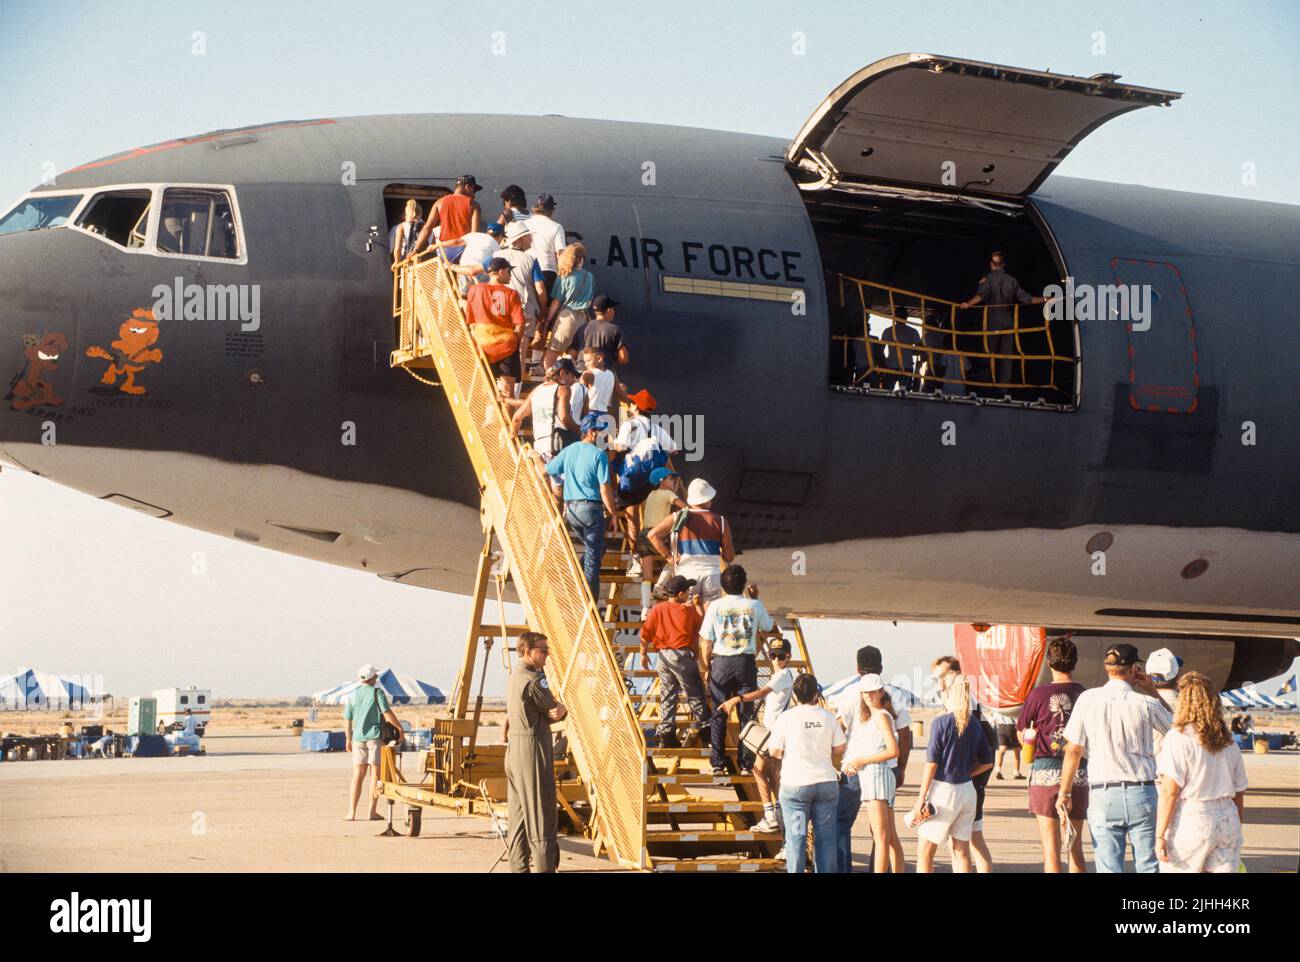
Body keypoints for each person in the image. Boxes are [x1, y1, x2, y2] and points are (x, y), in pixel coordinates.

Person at [1056, 643, 1173, 873]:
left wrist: (1065, 792)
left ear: (1108, 668)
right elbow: (1179, 730)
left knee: (1108, 866)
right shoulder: (1147, 703)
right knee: (1149, 865)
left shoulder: (1088, 699)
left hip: (1104, 793)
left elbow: (1073, 750)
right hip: (1143, 791)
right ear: (1133, 669)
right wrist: (1153, 691)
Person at [1156, 672, 1248, 873]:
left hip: (1194, 816)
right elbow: (1239, 791)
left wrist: (1160, 835)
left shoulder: (1179, 738)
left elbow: (1170, 791)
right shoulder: (1229, 742)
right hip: (1227, 817)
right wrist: (1235, 825)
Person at [1017, 635, 1089, 873]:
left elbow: (1022, 734)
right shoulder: (1084, 695)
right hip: (1078, 771)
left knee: (1051, 851)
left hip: (1045, 773)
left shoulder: (1037, 695)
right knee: (1075, 847)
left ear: (1049, 662)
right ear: (1075, 663)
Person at [909, 674, 993, 873]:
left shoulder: (941, 722)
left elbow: (931, 763)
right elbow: (987, 762)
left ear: (947, 695)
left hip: (944, 791)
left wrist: (920, 798)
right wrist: (968, 772)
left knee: (925, 853)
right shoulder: (974, 723)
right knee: (961, 851)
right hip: (967, 791)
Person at [716, 637, 797, 835]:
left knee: (759, 771)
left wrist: (738, 698)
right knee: (772, 774)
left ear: (788, 657)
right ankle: (778, 814)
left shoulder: (782, 675)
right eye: (773, 655)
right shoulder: (783, 674)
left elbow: (761, 693)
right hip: (777, 732)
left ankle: (771, 815)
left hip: (774, 732)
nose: (776, 659)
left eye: (781, 656)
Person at [766, 672, 845, 873]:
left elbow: (774, 751)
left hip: (796, 787)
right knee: (826, 840)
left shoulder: (786, 718)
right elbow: (839, 747)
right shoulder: (828, 717)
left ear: (794, 696)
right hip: (826, 784)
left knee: (797, 840)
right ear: (815, 695)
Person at [699, 565, 773, 776]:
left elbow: (706, 641)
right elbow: (767, 626)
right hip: (745, 663)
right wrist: (755, 598)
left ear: (723, 585)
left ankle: (717, 763)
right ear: (743, 585)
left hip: (721, 662)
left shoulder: (715, 606)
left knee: (718, 713)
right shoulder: (754, 605)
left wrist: (707, 667)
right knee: (746, 714)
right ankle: (746, 764)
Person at [503, 631, 567, 873]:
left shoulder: (515, 676)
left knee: (518, 819)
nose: (547, 655)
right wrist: (561, 708)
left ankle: (518, 868)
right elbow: (554, 709)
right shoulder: (532, 680)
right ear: (527, 651)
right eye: (543, 650)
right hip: (532, 749)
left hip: (515, 750)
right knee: (542, 821)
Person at [931, 655, 996, 872]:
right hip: (968, 785)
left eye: (941, 677)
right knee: (961, 844)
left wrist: (971, 774)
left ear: (954, 675)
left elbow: (989, 749)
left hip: (968, 785)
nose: (939, 684)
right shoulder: (968, 706)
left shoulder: (968, 708)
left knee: (972, 843)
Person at [544, 413, 617, 603]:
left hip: (572, 511)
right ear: (591, 432)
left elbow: (547, 470)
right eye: (601, 432)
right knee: (593, 560)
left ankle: (576, 573)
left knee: (597, 549)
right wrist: (613, 514)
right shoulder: (599, 455)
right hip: (591, 509)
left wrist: (533, 457)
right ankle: (589, 604)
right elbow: (605, 487)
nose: (604, 436)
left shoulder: (569, 450)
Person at [958, 251, 1046, 392]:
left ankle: (987, 387)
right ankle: (1003, 389)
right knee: (1007, 357)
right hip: (1008, 322)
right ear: (1003, 265)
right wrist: (1046, 299)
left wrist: (968, 304)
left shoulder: (987, 279)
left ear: (992, 264)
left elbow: (981, 296)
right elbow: (1027, 299)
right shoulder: (1012, 280)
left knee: (989, 354)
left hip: (993, 320)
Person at [841, 674, 904, 873]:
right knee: (890, 837)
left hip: (877, 776)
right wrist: (857, 763)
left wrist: (861, 761)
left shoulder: (881, 716)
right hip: (873, 775)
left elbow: (893, 751)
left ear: (880, 691)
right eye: (865, 692)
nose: (869, 695)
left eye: (872, 691)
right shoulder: (872, 715)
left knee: (881, 837)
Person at [639, 574, 707, 749]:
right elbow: (701, 626)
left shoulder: (657, 609)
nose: (689, 594)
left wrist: (643, 653)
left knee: (668, 693)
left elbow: (645, 633)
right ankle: (706, 728)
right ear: (680, 594)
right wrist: (699, 606)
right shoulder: (688, 610)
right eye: (687, 591)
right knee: (694, 691)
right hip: (681, 655)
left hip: (662, 655)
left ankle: (666, 732)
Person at [646, 478, 734, 608]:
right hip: (712, 575)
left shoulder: (678, 517)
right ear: (706, 499)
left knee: (687, 615)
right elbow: (728, 556)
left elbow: (652, 535)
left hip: (687, 575)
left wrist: (669, 557)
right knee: (710, 617)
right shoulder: (720, 521)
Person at [343, 664, 405, 821]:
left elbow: (348, 720)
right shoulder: (378, 693)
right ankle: (372, 812)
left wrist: (348, 738)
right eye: (375, 675)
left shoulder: (352, 695)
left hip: (358, 738)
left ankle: (351, 812)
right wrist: (399, 728)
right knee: (375, 775)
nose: (377, 677)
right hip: (374, 738)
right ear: (372, 678)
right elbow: (387, 714)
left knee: (357, 775)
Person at [464, 258, 526, 396]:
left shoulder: (474, 290)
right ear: (501, 272)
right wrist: (517, 341)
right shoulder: (511, 294)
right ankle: (505, 417)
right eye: (509, 272)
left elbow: (470, 320)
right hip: (507, 345)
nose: (511, 275)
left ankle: (488, 417)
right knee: (508, 392)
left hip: (483, 344)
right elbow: (520, 323)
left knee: (486, 391)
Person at [497, 222, 549, 372]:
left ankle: (498, 387)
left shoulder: (496, 255)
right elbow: (540, 290)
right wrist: (542, 310)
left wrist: (453, 267)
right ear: (519, 239)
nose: (531, 239)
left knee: (499, 349)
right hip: (523, 309)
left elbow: (477, 271)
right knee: (519, 352)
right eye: (528, 236)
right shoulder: (531, 260)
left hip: (499, 309)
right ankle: (514, 390)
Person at [510, 357, 583, 462]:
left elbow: (517, 417)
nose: (573, 381)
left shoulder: (537, 390)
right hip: (558, 445)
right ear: (562, 373)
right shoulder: (563, 389)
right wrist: (581, 432)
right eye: (572, 376)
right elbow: (564, 418)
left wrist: (512, 439)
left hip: (539, 448)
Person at [539, 242, 594, 371]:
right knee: (573, 356)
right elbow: (590, 300)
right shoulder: (590, 277)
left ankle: (550, 379)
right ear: (581, 259)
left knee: (553, 353)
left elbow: (556, 302)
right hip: (583, 319)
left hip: (566, 317)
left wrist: (547, 321)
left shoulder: (564, 276)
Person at [632, 467, 686, 596]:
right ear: (662, 481)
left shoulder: (651, 494)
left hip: (644, 535)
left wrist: (676, 486)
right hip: (659, 536)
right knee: (678, 558)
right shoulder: (668, 494)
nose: (674, 481)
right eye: (671, 479)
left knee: (647, 576)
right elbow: (686, 508)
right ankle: (660, 586)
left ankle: (645, 607)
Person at [412, 175, 482, 256]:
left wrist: (415, 250)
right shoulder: (474, 205)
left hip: (444, 251)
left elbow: (427, 227)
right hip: (463, 250)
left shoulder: (439, 202)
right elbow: (474, 235)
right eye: (474, 190)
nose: (474, 195)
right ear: (468, 187)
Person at [574, 294, 629, 373]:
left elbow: (572, 354)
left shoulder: (583, 327)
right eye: (613, 308)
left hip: (581, 374)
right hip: (602, 374)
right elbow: (623, 358)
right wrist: (611, 356)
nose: (614, 311)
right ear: (608, 310)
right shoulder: (615, 329)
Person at [578, 346, 625, 432]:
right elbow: (622, 396)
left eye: (588, 361)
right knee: (601, 444)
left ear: (599, 358)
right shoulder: (612, 375)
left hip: (589, 416)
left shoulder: (587, 374)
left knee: (587, 443)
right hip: (605, 416)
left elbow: (579, 397)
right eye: (585, 361)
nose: (586, 364)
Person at [527, 193, 566, 292]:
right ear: (552, 210)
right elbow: (560, 253)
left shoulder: (524, 224)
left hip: (526, 269)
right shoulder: (556, 226)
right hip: (547, 271)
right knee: (546, 306)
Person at [452, 220, 504, 292]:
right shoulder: (495, 244)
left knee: (463, 293)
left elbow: (456, 242)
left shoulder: (475, 235)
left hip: (462, 269)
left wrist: (437, 245)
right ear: (500, 236)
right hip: (476, 273)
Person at [990, 708, 1024, 780]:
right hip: (1012, 727)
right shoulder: (1012, 703)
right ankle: (1016, 772)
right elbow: (1017, 717)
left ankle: (998, 770)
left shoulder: (999, 704)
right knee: (1016, 750)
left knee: (1002, 749)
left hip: (1001, 727)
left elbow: (993, 717)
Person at [391, 198, 423, 263]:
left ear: (406, 213)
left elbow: (397, 249)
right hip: (429, 263)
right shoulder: (428, 226)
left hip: (412, 264)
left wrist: (397, 263)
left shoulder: (401, 227)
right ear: (421, 213)